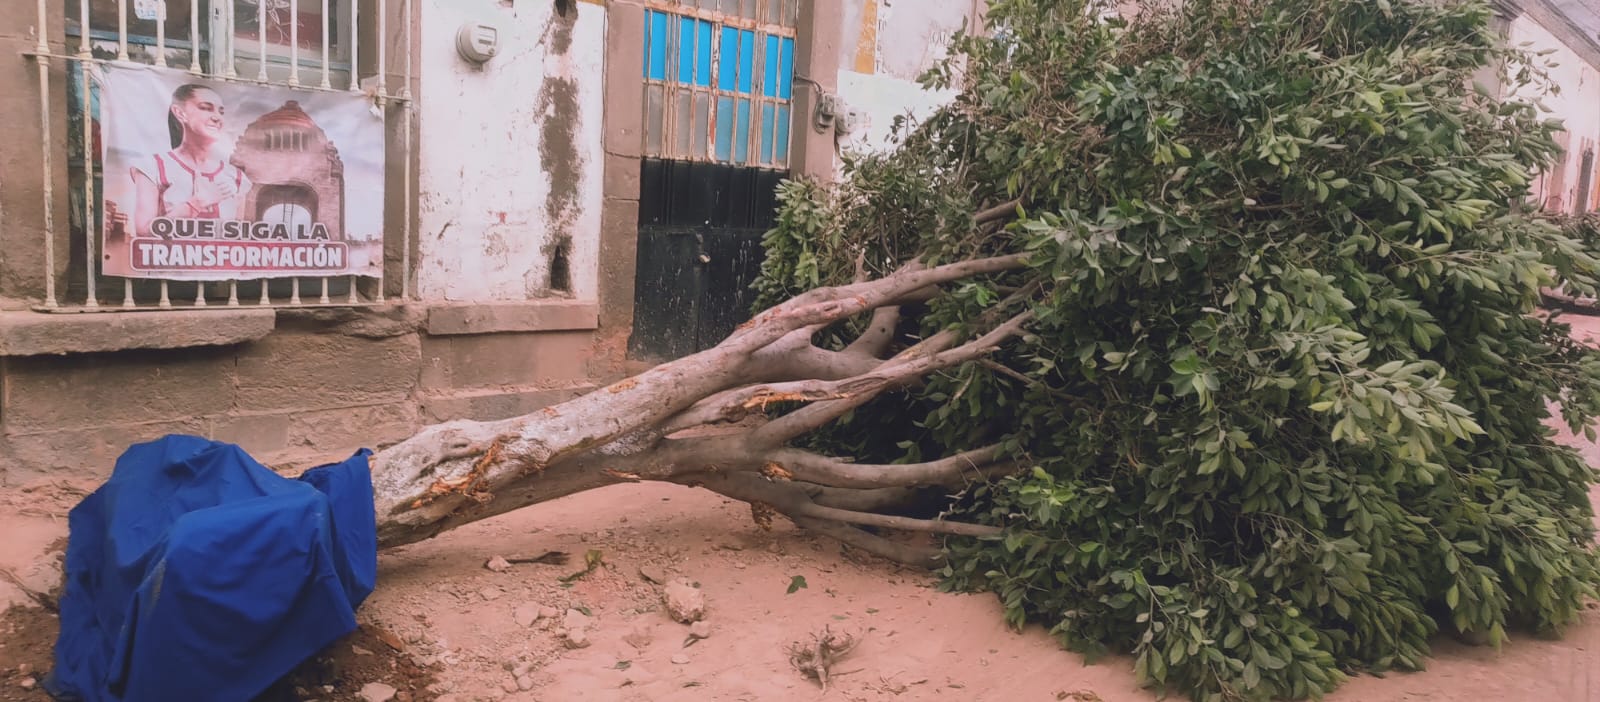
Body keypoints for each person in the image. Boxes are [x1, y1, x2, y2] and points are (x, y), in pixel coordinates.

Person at [130, 83, 252, 237]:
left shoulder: (237, 177)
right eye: (206, 108)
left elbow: (244, 237)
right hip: (171, 260)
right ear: (180, 113)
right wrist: (196, 203)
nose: (216, 117)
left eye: (220, 112)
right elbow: (144, 233)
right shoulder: (153, 167)